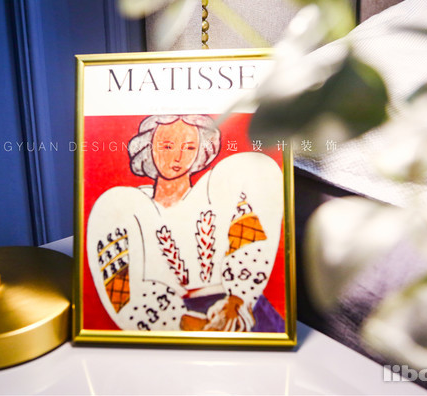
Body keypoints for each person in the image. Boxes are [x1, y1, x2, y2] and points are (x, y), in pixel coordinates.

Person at [87, 114, 285, 332]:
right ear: (148, 146)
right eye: (167, 146)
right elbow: (122, 292)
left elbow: (252, 243)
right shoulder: (125, 207)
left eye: (189, 147)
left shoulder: (223, 186)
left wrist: (236, 301)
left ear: (201, 149)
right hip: (171, 321)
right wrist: (188, 322)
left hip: (240, 312)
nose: (178, 157)